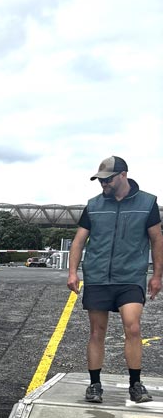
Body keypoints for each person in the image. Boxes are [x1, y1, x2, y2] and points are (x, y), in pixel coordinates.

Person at [67, 156, 163, 403]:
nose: (103, 184)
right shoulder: (94, 205)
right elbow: (79, 241)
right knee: (97, 331)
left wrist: (157, 275)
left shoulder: (147, 203)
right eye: (100, 180)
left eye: (107, 179)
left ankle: (136, 384)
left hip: (130, 276)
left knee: (133, 326)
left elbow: (156, 240)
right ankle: (95, 385)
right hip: (98, 276)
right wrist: (72, 272)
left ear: (123, 175)